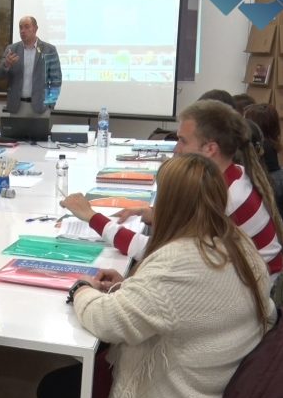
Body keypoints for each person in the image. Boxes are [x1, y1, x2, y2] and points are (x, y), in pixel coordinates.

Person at [39, 154, 277, 398]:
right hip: (220, 385)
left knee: (54, 391)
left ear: (168, 204)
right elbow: (180, 303)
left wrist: (81, 288)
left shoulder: (179, 262)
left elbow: (107, 321)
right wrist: (126, 287)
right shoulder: (236, 241)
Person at [61, 100, 283, 277]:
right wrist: (153, 214)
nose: (176, 149)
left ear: (210, 148)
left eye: (182, 141)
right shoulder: (233, 175)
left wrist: (92, 216)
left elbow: (157, 252)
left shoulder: (223, 198)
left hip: (252, 304)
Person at [0, 16, 62, 116]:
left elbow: (56, 80)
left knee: (39, 132)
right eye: (20, 27)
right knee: (17, 132)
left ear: (35, 28)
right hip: (17, 107)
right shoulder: (12, 49)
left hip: (41, 107)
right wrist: (6, 64)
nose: (23, 31)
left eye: (26, 27)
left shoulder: (49, 49)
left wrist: (50, 103)